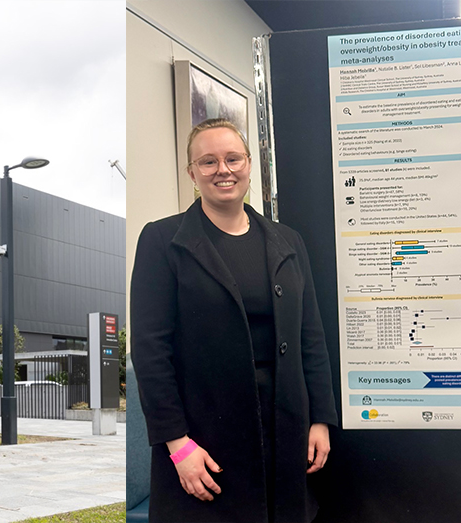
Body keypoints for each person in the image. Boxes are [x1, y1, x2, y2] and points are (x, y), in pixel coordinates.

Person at [131, 118, 338, 523]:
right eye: (208, 162)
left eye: (232, 158)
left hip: (286, 429)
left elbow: (310, 336)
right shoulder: (162, 241)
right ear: (192, 173)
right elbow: (151, 351)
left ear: (248, 165)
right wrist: (176, 443)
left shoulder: (288, 241)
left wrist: (320, 419)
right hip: (206, 437)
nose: (222, 170)